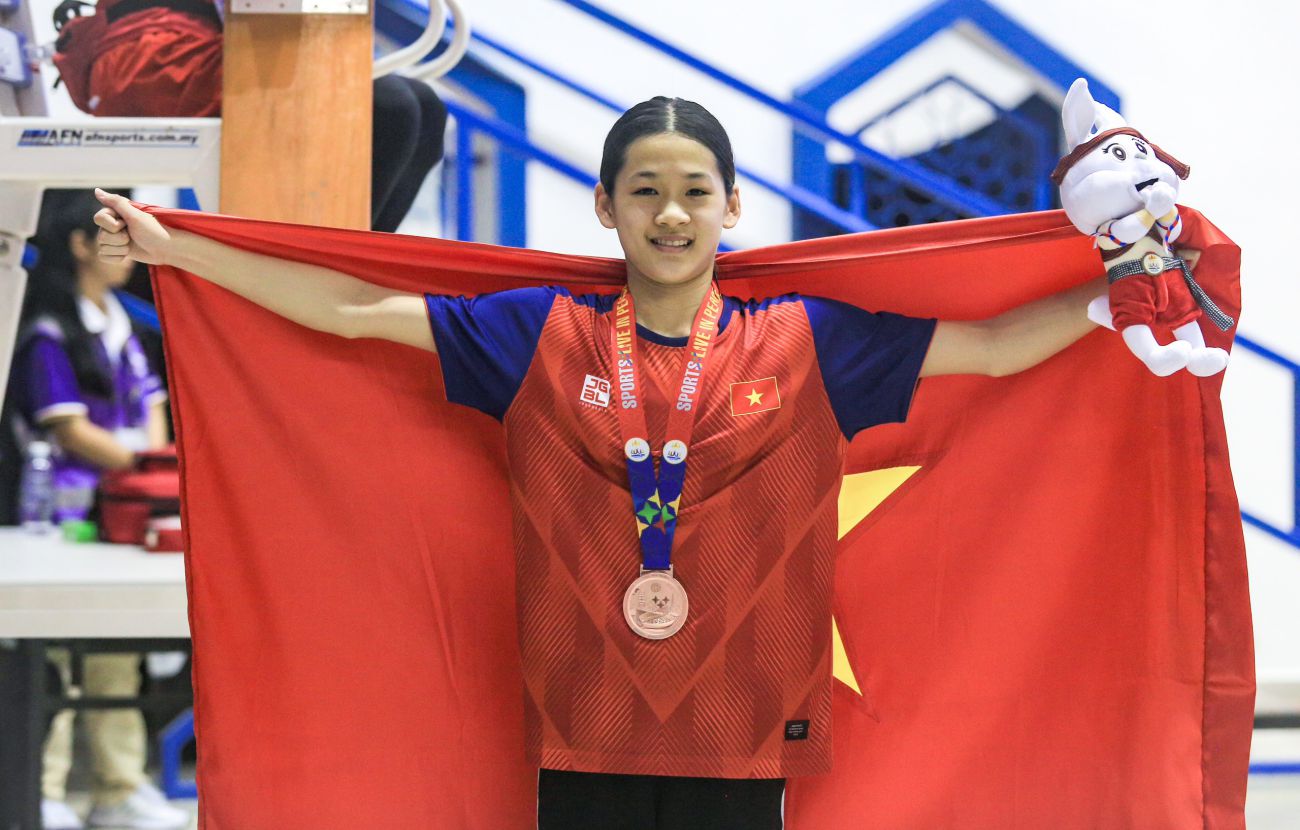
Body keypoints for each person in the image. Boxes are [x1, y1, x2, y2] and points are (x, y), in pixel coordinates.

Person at [92, 97, 1126, 829]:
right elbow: (356, 312)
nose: (668, 213)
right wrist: (182, 252)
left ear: (732, 207)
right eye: (643, 190)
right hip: (584, 725)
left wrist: (1131, 287)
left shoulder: (810, 341)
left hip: (743, 728)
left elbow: (989, 351)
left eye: (692, 190)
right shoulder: (536, 334)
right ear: (605, 206)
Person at [7, 190, 189, 830]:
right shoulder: (48, 330)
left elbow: (155, 415)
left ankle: (117, 788)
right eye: (110, 236)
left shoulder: (124, 326)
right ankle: (47, 790)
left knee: (119, 653)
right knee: (53, 655)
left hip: (124, 519)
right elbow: (69, 430)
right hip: (60, 516)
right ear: (81, 246)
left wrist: (156, 475)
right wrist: (146, 471)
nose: (126, 254)